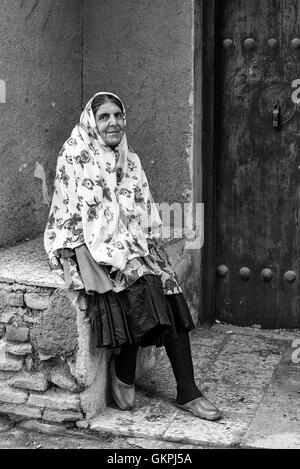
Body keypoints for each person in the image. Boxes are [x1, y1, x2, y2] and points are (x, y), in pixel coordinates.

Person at [44, 92, 221, 421]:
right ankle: (125, 370)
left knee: (164, 282)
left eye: (118, 115)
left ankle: (188, 390)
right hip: (87, 244)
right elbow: (68, 213)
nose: (113, 122)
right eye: (105, 117)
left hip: (128, 241)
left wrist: (135, 241)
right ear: (92, 122)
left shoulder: (130, 160)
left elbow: (145, 213)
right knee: (140, 279)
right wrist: (96, 252)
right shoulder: (75, 153)